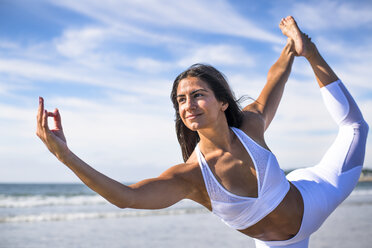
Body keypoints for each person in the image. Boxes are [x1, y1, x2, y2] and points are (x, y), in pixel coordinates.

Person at [36, 16, 368, 248]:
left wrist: (295, 50)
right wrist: (65, 156)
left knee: (355, 127)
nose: (188, 105)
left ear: (222, 102)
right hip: (275, 244)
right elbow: (128, 197)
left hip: (314, 198)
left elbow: (273, 79)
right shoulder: (192, 177)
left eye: (197, 95)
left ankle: (312, 53)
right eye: (181, 99)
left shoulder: (250, 127)